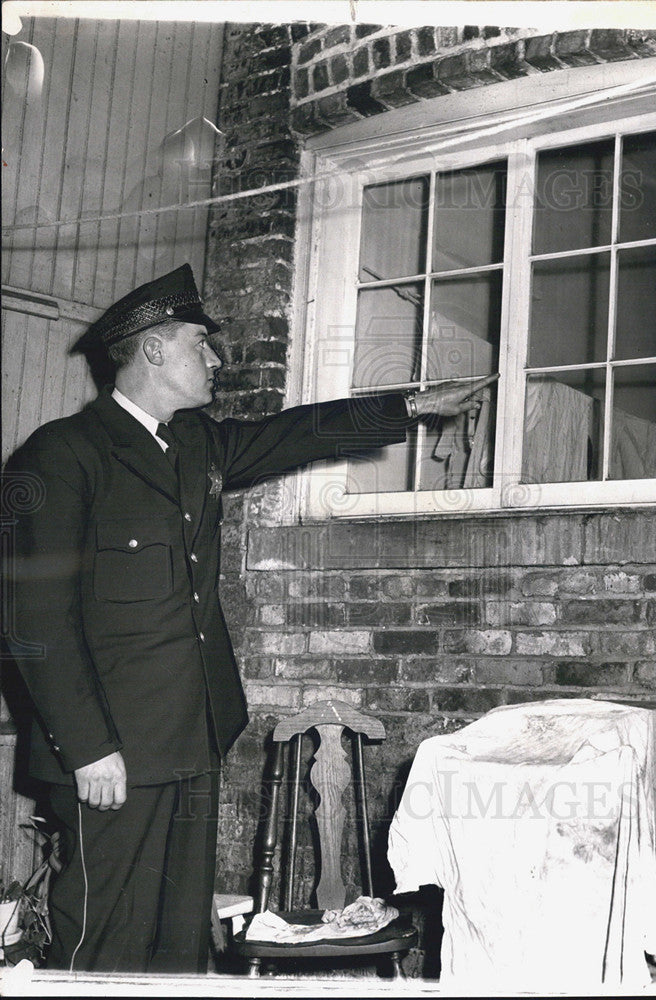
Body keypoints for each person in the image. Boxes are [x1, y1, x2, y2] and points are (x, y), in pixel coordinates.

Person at [4, 262, 495, 974]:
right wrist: (84, 748)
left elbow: (296, 433)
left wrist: (409, 408)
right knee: (104, 941)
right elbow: (35, 618)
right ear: (151, 349)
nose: (215, 359)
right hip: (109, 754)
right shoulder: (64, 454)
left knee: (176, 940)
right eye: (200, 344)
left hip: (189, 736)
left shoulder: (193, 445)